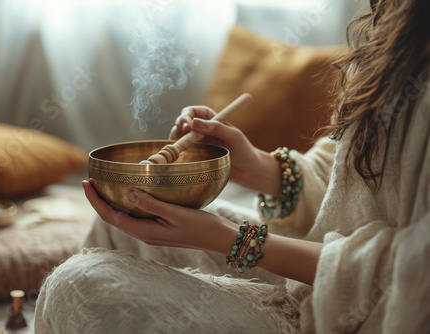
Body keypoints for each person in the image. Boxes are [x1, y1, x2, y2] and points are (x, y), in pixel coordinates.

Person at [34, 0, 430, 333]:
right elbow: (358, 182)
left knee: (75, 286)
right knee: (120, 224)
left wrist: (229, 238)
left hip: (363, 314)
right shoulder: (401, 28)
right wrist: (254, 166)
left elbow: (412, 271)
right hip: (317, 275)